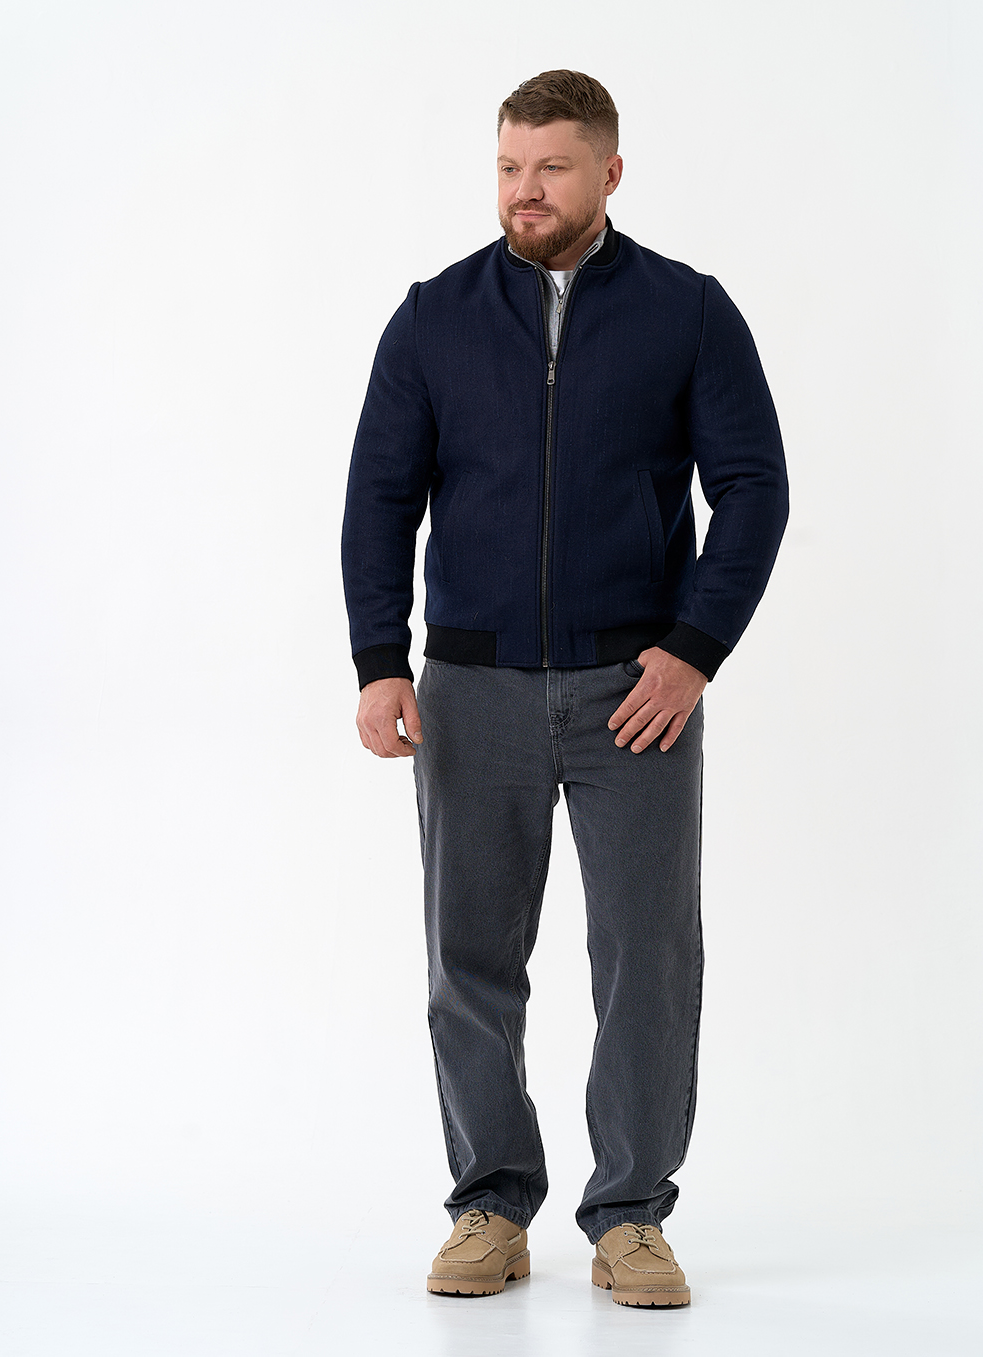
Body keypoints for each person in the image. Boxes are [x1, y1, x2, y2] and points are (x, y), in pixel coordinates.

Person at [341, 69, 789, 1308]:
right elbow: (378, 497)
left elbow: (753, 487)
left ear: (608, 172)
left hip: (633, 691)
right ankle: (488, 1203)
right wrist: (379, 658)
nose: (523, 190)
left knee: (647, 957)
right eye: (507, 167)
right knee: (468, 960)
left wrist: (692, 648)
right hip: (469, 687)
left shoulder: (686, 312)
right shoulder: (432, 316)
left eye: (549, 167)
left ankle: (630, 1215)